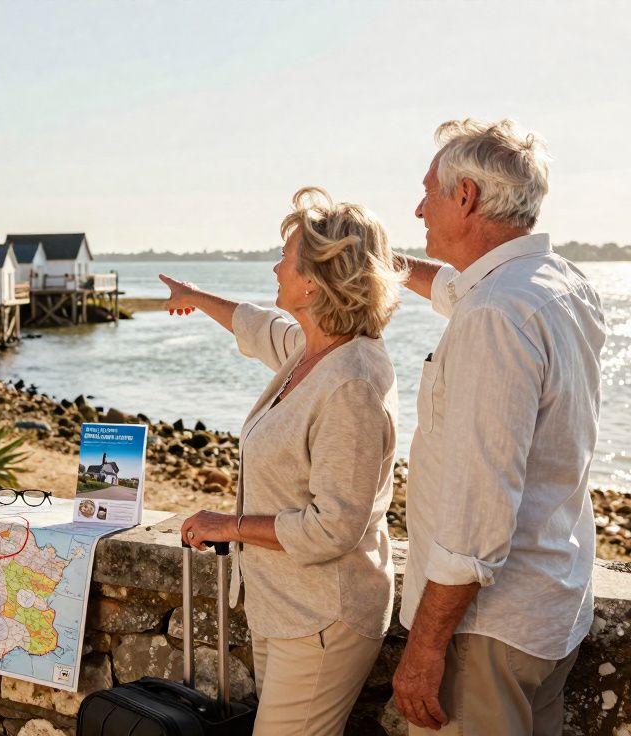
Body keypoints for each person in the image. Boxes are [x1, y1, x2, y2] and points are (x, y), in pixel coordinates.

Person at [391, 119, 606, 735]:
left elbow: (478, 512)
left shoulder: (494, 315)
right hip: (550, 609)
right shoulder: (559, 283)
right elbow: (455, 290)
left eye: (428, 193)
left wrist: (426, 646)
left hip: (486, 631)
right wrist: (381, 260)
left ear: (465, 196)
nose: (418, 210)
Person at [165, 186, 405, 736]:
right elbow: (256, 327)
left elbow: (333, 527)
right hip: (283, 608)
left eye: (284, 256)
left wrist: (229, 526)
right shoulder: (312, 349)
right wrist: (195, 297)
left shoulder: (352, 382)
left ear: (314, 279)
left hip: (324, 616)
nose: (274, 267)